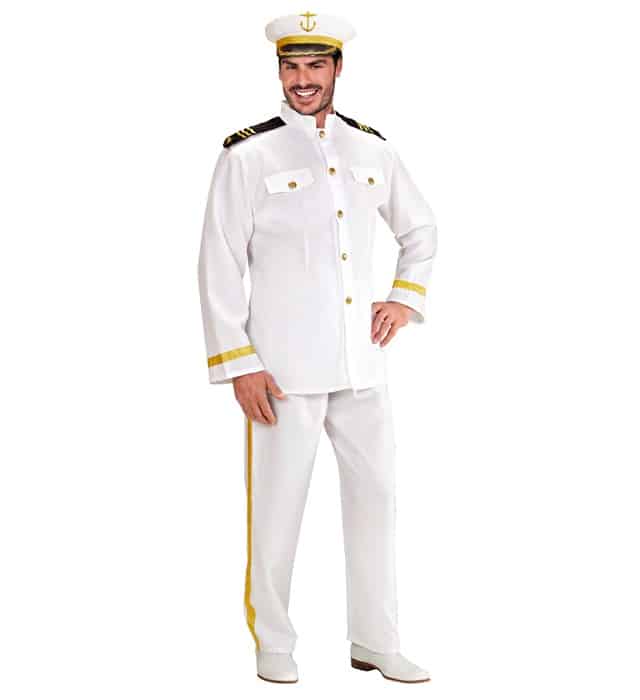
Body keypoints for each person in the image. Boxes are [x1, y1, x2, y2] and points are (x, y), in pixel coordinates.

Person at [197, 11, 437, 684]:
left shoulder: (373, 150)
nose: (302, 80)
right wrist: (239, 363)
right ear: (279, 70)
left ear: (337, 69)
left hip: (363, 366)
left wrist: (405, 297)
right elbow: (219, 262)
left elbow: (420, 230)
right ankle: (273, 643)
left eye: (315, 66)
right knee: (276, 509)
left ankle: (376, 639)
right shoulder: (247, 155)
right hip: (281, 372)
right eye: (291, 67)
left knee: (377, 502)